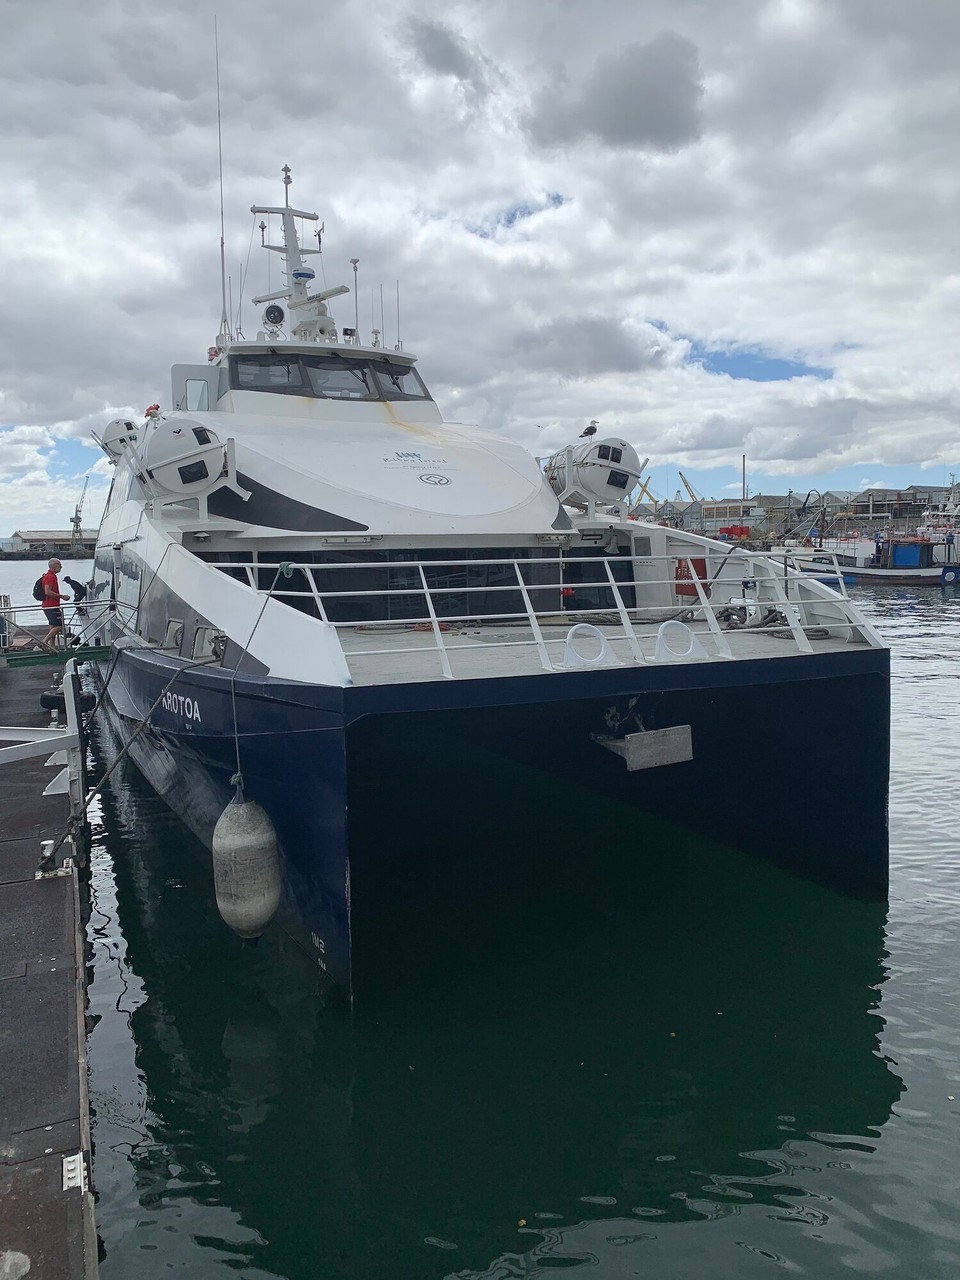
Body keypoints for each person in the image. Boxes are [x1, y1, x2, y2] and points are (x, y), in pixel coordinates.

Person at [40, 557, 70, 652]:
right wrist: (62, 596)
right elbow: (47, 591)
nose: (61, 567)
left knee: (53, 625)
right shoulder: (50, 577)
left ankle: (52, 646)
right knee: (59, 626)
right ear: (54, 566)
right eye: (59, 564)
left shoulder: (51, 576)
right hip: (50, 605)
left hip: (51, 605)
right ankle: (44, 641)